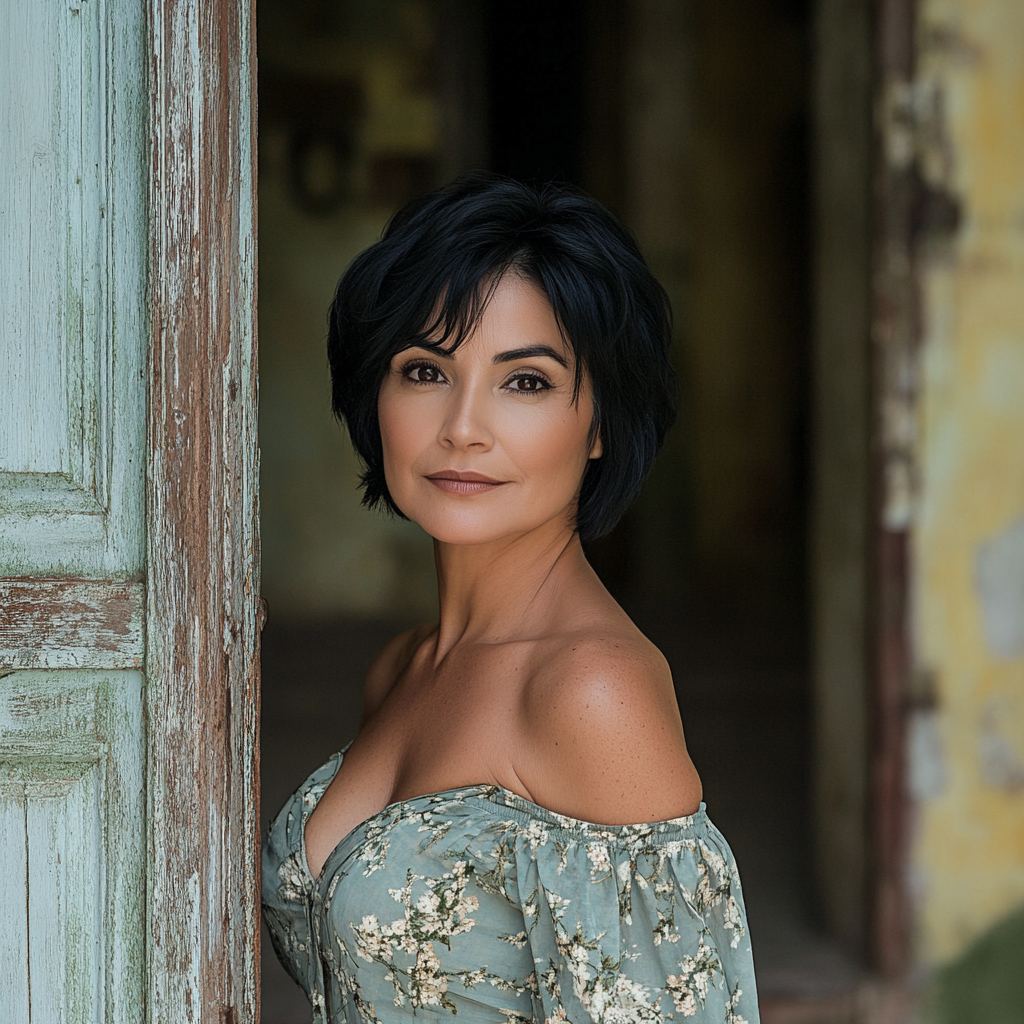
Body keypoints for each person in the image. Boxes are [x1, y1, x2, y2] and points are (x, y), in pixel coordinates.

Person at [262, 172, 759, 1024]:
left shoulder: (593, 693)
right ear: (373, 397)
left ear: (600, 423)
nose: (463, 425)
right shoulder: (407, 666)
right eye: (424, 370)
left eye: (524, 381)